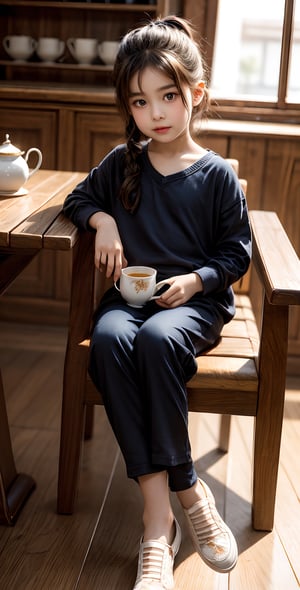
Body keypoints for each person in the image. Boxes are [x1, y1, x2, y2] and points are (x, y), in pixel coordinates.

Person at [63, 15, 251, 590]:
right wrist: (102, 223)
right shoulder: (124, 164)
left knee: (156, 337)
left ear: (195, 94)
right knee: (115, 338)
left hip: (193, 305)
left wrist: (196, 280)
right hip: (132, 301)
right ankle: (167, 511)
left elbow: (236, 255)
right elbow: (77, 197)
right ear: (130, 107)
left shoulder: (216, 175)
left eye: (168, 97)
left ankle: (169, 513)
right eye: (141, 103)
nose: (157, 114)